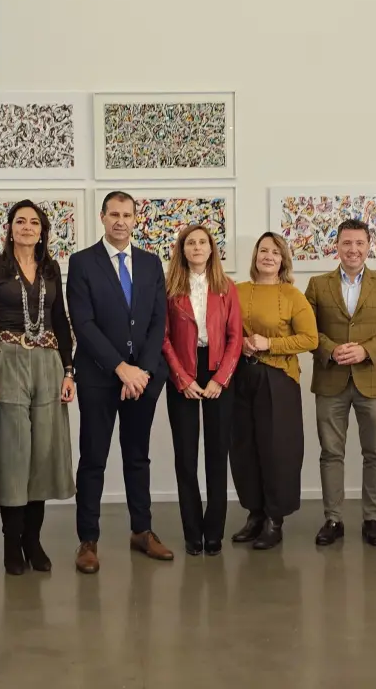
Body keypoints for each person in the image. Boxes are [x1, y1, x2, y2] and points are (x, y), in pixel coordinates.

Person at [67, 190, 173, 573]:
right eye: (114, 214)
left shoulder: (150, 262)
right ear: (102, 217)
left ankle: (142, 531)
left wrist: (141, 370)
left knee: (137, 456)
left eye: (127, 215)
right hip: (98, 376)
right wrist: (119, 367)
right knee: (93, 458)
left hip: (142, 379)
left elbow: (158, 321)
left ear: (135, 219)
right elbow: (83, 323)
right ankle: (88, 540)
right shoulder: (82, 262)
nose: (120, 221)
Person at [0, 200, 76, 575]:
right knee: (14, 453)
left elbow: (60, 320)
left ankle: (33, 541)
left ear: (42, 231)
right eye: (21, 221)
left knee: (43, 454)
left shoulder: (51, 268)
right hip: (9, 359)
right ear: (10, 228)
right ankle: (11, 542)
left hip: (48, 362)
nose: (28, 227)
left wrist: (69, 370)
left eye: (34, 222)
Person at [305, 219, 376, 547]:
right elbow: (307, 330)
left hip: (373, 380)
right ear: (336, 246)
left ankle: (372, 519)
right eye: (347, 243)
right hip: (330, 380)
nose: (353, 249)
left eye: (359, 243)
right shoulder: (317, 285)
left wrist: (365, 350)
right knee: (330, 453)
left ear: (369, 246)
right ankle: (333, 519)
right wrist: (330, 350)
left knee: (375, 453)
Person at [230, 233, 317, 549]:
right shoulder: (236, 290)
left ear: (283, 260)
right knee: (244, 447)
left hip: (278, 379)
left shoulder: (292, 295)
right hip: (241, 376)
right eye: (263, 250)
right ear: (255, 256)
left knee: (277, 449)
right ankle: (254, 514)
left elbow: (310, 339)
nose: (268, 256)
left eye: (275, 252)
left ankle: (274, 519)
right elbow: (224, 330)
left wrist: (270, 343)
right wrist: (240, 344)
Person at [162, 225, 242, 556]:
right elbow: (163, 337)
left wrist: (221, 378)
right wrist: (181, 377)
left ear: (211, 249)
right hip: (183, 371)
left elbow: (236, 336)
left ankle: (214, 532)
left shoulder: (227, 288)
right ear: (182, 250)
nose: (197, 247)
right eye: (190, 243)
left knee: (217, 455)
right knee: (185, 456)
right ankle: (192, 532)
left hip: (217, 370)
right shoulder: (169, 289)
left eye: (202, 242)